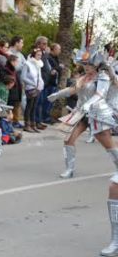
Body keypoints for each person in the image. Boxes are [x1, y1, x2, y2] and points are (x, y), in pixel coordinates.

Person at [48, 36, 118, 181]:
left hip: (97, 113)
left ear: (97, 65)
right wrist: (57, 94)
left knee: (107, 144)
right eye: (85, 64)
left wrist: (88, 104)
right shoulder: (84, 78)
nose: (86, 67)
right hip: (80, 113)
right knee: (68, 139)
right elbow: (73, 90)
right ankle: (69, 169)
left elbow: (100, 94)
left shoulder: (103, 77)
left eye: (89, 64)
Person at [21, 47, 44, 133]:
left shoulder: (38, 64)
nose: (39, 57)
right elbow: (23, 77)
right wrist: (32, 83)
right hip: (30, 87)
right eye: (38, 55)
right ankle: (27, 124)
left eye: (41, 55)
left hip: (38, 87)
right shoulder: (27, 63)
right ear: (34, 55)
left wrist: (40, 84)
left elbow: (39, 76)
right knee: (29, 106)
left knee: (34, 106)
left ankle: (33, 124)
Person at [9, 36, 26, 126]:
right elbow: (14, 67)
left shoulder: (20, 55)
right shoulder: (9, 53)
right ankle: (10, 121)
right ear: (16, 43)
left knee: (18, 100)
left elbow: (24, 64)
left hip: (19, 80)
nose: (23, 45)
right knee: (12, 100)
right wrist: (22, 66)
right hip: (11, 80)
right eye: (21, 43)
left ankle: (16, 120)